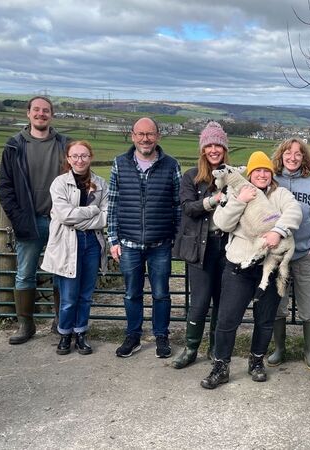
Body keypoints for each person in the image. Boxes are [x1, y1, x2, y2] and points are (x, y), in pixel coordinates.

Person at [201, 151, 302, 389]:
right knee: (227, 319)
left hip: (271, 267)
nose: (262, 174)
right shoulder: (234, 191)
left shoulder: (281, 194)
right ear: (249, 173)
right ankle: (220, 367)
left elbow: (295, 212)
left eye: (266, 170)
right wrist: (240, 200)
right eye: (257, 170)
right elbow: (223, 222)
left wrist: (278, 231)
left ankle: (256, 361)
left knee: (265, 320)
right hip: (239, 265)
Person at [108, 117, 182, 359]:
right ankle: (133, 336)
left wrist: (177, 239)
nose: (145, 139)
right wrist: (113, 239)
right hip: (128, 243)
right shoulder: (120, 163)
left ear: (158, 136)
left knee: (161, 293)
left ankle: (161, 336)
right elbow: (112, 203)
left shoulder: (171, 165)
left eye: (149, 134)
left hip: (160, 243)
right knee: (132, 293)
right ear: (132, 136)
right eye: (140, 134)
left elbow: (178, 205)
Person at [0, 96, 69, 344]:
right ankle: (25, 326)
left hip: (61, 222)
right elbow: (5, 188)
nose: (41, 114)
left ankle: (60, 322)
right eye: (36, 110)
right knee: (24, 274)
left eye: (46, 110)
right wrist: (18, 218)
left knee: (62, 272)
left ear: (52, 115)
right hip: (29, 220)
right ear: (28, 113)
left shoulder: (65, 144)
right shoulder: (14, 145)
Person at [40, 141, 108, 355]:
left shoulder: (100, 183)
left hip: (91, 243)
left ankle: (81, 333)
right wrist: (91, 211)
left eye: (84, 156)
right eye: (75, 156)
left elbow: (105, 217)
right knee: (68, 296)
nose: (80, 160)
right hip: (67, 243)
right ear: (68, 159)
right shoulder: (59, 184)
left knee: (86, 294)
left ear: (91, 157)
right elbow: (64, 215)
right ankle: (64, 334)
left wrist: (83, 216)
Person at [171, 122, 230, 369]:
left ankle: (216, 349)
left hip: (227, 248)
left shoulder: (233, 177)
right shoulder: (191, 177)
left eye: (218, 145)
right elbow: (187, 208)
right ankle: (191, 347)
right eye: (210, 145)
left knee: (222, 300)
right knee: (200, 301)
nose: (214, 149)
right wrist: (213, 199)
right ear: (203, 149)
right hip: (200, 248)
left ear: (225, 149)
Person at [269, 138, 310, 371]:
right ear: (281, 155)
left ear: (304, 157)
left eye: (298, 154)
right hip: (279, 255)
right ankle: (279, 349)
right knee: (278, 303)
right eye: (288, 153)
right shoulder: (273, 180)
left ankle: (309, 351)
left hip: (306, 254)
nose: (293, 157)